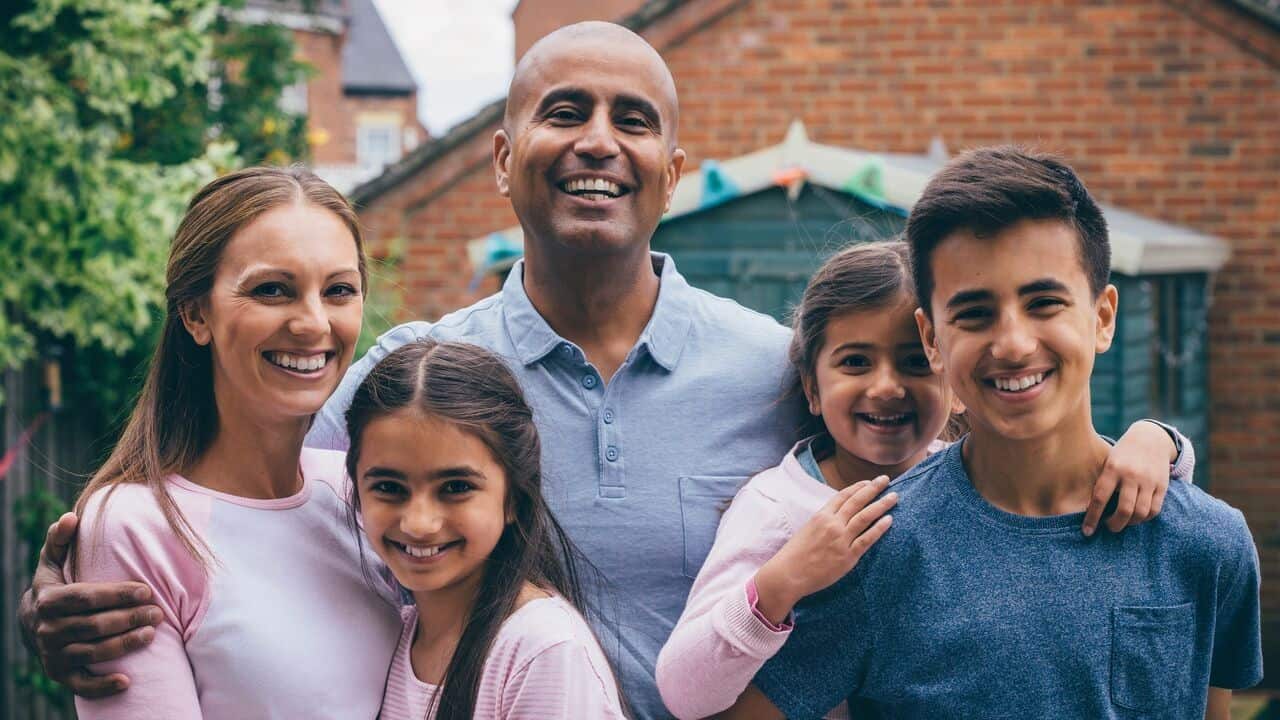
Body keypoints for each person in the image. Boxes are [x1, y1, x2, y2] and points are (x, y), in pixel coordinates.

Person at [21, 24, 1190, 720]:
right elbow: (262, 511)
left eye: (632, 119)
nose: (596, 139)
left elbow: (962, 442)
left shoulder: (770, 366)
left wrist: (1155, 448)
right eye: (563, 112)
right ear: (500, 157)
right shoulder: (414, 379)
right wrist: (78, 572)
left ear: (673, 169)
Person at [730, 147, 1261, 719]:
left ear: (1103, 318)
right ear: (932, 340)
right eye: (975, 314)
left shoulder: (1208, 544)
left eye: (1044, 303)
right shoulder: (878, 553)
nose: (1012, 344)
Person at [655, 241, 1195, 720]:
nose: (887, 387)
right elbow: (682, 693)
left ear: (952, 375)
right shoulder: (779, 510)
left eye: (915, 362)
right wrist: (784, 580)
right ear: (812, 388)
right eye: (855, 362)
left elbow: (1093, 494)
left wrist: (1159, 442)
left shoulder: (971, 482)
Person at [61, 166, 402, 719]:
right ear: (196, 313)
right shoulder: (135, 526)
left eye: (338, 290)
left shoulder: (361, 492)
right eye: (272, 290)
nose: (313, 323)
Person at [345, 339, 626, 719]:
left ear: (514, 496)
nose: (419, 523)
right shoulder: (395, 633)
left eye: (456, 488)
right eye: (389, 488)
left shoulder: (540, 650)